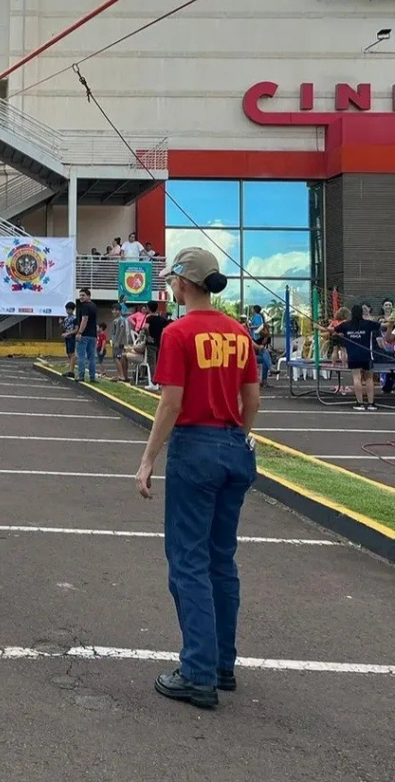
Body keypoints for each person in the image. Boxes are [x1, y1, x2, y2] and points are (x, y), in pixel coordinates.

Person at [136, 247, 260, 711]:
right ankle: (223, 664)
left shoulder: (178, 332)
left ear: (182, 284)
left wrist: (148, 458)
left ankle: (198, 672)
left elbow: (171, 402)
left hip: (196, 446)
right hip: (233, 444)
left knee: (188, 561)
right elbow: (253, 400)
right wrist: (236, 438)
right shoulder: (239, 332)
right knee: (221, 560)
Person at [333, 304, 384, 410]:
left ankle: (359, 404)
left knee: (357, 378)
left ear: (351, 313)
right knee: (369, 378)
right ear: (361, 313)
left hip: (353, 356)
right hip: (366, 355)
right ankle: (371, 404)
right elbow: (381, 326)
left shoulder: (346, 325)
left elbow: (334, 329)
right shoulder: (369, 324)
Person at [143, 301, 170, 385]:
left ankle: (153, 381)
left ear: (148, 308)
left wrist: (148, 336)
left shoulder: (149, 318)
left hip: (151, 343)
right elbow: (166, 329)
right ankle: (160, 379)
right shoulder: (161, 319)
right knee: (159, 361)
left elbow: (146, 327)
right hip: (160, 342)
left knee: (152, 362)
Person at [74, 289, 99, 383]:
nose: (81, 297)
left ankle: (81, 376)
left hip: (84, 335)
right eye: (80, 295)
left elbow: (84, 319)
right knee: (91, 357)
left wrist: (80, 332)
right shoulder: (94, 306)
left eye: (83, 295)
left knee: (81, 356)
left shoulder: (84, 306)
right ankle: (92, 377)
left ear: (88, 296)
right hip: (93, 335)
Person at [110, 303, 130, 382]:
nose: (114, 312)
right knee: (120, 357)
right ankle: (123, 375)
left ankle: (121, 375)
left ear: (120, 311)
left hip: (118, 342)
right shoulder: (116, 320)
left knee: (116, 357)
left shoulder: (120, 320)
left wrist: (117, 341)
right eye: (113, 310)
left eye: (116, 310)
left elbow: (121, 330)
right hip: (117, 341)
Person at [62, 302, 78, 378]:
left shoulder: (74, 318)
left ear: (73, 309)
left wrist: (68, 333)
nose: (68, 311)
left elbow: (76, 329)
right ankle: (70, 369)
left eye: (69, 309)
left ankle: (72, 371)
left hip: (72, 337)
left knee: (72, 353)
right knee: (69, 353)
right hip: (67, 337)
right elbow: (64, 328)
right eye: (67, 309)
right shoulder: (66, 318)